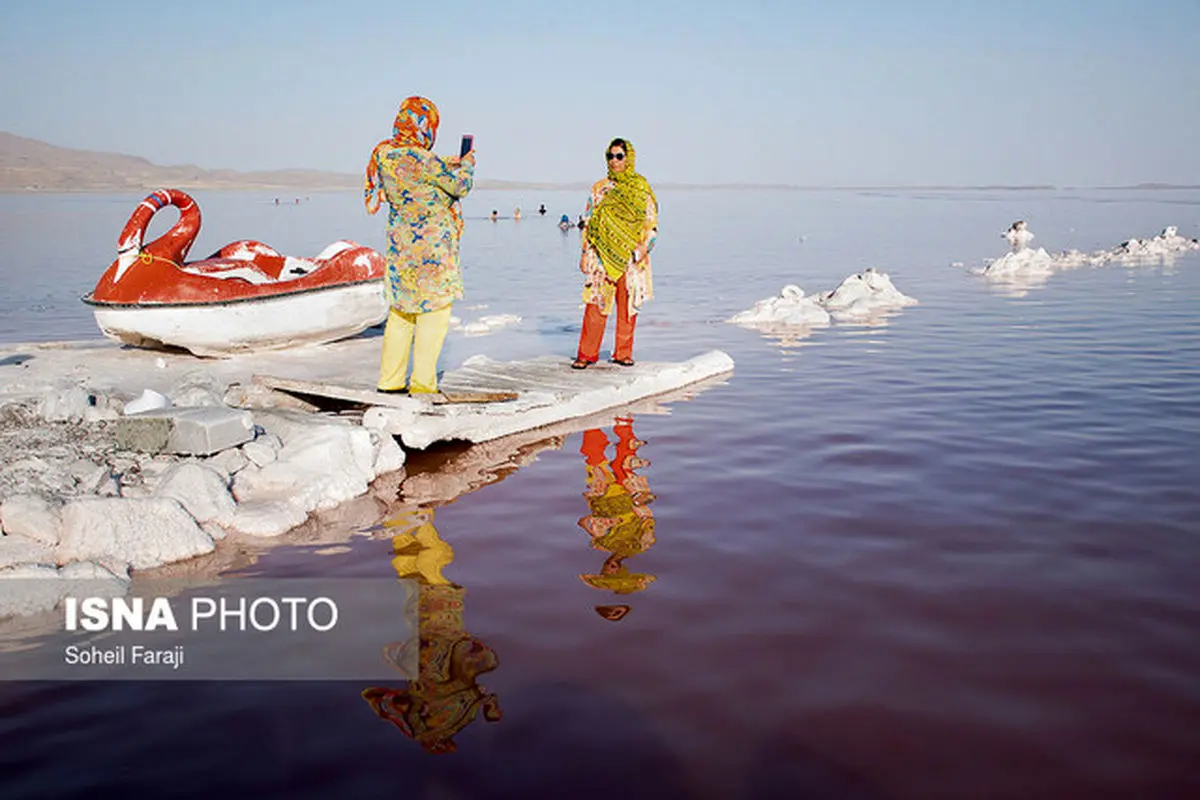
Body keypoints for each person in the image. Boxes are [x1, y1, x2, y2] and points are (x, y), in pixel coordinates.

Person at [365, 96, 475, 395]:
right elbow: (460, 187)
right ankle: (423, 384)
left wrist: (444, 165)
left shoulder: (385, 156)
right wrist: (466, 165)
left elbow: (419, 178)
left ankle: (390, 381)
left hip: (401, 249)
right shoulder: (427, 161)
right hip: (432, 253)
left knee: (401, 313)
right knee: (434, 313)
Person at [571, 138, 657, 369]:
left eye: (619, 156)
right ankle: (586, 354)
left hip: (631, 257)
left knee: (628, 305)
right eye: (610, 156)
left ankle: (623, 353)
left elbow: (651, 225)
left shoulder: (641, 188)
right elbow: (588, 222)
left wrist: (641, 249)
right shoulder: (600, 188)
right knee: (596, 303)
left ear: (629, 158)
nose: (615, 161)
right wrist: (585, 253)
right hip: (602, 255)